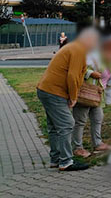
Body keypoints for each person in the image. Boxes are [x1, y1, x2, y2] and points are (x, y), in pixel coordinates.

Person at [36, 28, 100, 171]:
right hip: (54, 91)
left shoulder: (73, 47)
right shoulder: (78, 50)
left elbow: (77, 73)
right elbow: (72, 76)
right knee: (67, 124)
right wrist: (73, 97)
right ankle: (66, 161)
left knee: (54, 126)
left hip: (45, 89)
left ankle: (56, 159)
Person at [72, 37, 111, 158]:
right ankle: (77, 147)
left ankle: (97, 143)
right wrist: (90, 73)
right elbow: (76, 69)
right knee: (80, 120)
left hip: (97, 93)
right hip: (85, 93)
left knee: (98, 118)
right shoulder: (86, 55)